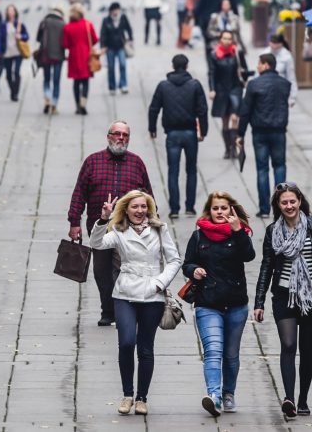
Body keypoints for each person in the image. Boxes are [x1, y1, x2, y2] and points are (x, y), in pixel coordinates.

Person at [253, 182, 312, 419]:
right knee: (289, 345)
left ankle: (303, 399)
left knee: (307, 348)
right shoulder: (273, 231)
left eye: (293, 201)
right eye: (284, 202)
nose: (289, 206)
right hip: (283, 295)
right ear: (278, 205)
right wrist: (259, 301)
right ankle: (289, 398)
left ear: (300, 202)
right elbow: (266, 267)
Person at [90, 190, 182, 415]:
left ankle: (142, 398)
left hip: (153, 293)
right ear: (126, 210)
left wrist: (160, 282)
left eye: (143, 207)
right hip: (125, 292)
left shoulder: (160, 229)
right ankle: (127, 394)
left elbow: (174, 259)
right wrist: (103, 219)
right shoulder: (118, 230)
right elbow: (97, 243)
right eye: (135, 207)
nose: (140, 211)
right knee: (127, 342)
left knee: (145, 348)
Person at [68, 122, 154, 326]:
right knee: (101, 271)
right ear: (108, 137)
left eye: (125, 135)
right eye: (117, 134)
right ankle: (108, 310)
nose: (121, 138)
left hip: (128, 228)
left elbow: (148, 195)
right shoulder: (93, 162)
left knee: (122, 269)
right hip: (100, 227)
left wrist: (153, 220)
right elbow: (79, 193)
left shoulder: (136, 163)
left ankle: (122, 310)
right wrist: (74, 222)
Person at [183, 192, 255, 415]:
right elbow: (186, 263)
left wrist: (238, 231)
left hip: (236, 304)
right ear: (209, 211)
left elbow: (249, 255)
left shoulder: (240, 234)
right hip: (208, 303)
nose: (220, 212)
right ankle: (214, 396)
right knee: (213, 350)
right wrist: (193, 270)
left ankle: (228, 393)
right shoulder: (198, 236)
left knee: (231, 354)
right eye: (216, 208)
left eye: (224, 208)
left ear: (231, 210)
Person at [148, 54, 208, 218]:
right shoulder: (195, 85)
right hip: (190, 133)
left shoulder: (163, 86)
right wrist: (203, 131)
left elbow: (154, 108)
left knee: (172, 171)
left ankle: (174, 208)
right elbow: (202, 109)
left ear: (173, 66)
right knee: (191, 170)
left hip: (172, 134)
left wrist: (152, 128)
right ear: (187, 66)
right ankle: (190, 207)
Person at [237, 54, 292, 217]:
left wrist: (241, 133)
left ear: (266, 65)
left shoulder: (254, 85)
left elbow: (245, 111)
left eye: (259, 64)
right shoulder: (285, 84)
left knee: (262, 169)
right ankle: (282, 206)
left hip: (260, 132)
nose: (257, 67)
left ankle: (264, 209)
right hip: (279, 131)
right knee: (280, 167)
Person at [207, 30, 248, 160]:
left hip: (235, 88)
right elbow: (212, 73)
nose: (227, 41)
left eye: (229, 39)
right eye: (224, 38)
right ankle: (227, 148)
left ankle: (234, 150)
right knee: (224, 121)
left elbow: (245, 69)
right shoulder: (214, 55)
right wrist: (212, 89)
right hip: (221, 90)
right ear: (220, 40)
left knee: (235, 119)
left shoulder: (237, 52)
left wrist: (245, 77)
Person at [62, 4, 98, 115]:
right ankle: (83, 103)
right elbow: (95, 39)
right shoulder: (88, 24)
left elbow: (65, 44)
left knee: (76, 82)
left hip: (74, 56)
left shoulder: (67, 27)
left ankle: (77, 105)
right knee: (85, 81)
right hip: (86, 55)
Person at [0, 5, 29, 102]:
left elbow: (26, 36)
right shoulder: (3, 24)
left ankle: (16, 92)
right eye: (9, 11)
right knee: (8, 74)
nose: (11, 13)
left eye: (12, 11)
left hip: (18, 52)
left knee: (16, 72)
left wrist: (21, 36)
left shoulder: (19, 24)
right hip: (7, 52)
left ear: (15, 12)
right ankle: (12, 90)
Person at [36, 7, 66, 114]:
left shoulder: (44, 22)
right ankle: (54, 104)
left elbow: (38, 38)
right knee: (56, 81)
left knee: (47, 79)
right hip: (58, 56)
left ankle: (47, 97)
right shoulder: (63, 24)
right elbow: (65, 42)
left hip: (46, 55)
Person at [99, 2, 133, 95]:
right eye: (114, 10)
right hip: (110, 47)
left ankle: (123, 85)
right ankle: (112, 87)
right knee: (111, 67)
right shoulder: (106, 20)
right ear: (110, 11)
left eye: (117, 10)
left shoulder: (123, 18)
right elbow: (103, 34)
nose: (116, 12)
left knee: (122, 65)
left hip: (120, 46)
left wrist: (130, 40)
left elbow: (129, 29)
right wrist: (102, 46)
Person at [266, 33, 298, 107]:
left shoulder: (287, 57)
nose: (273, 45)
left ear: (281, 43)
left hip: (281, 91)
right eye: (271, 42)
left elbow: (291, 77)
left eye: (275, 43)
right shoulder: (265, 53)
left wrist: (293, 97)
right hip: (266, 89)